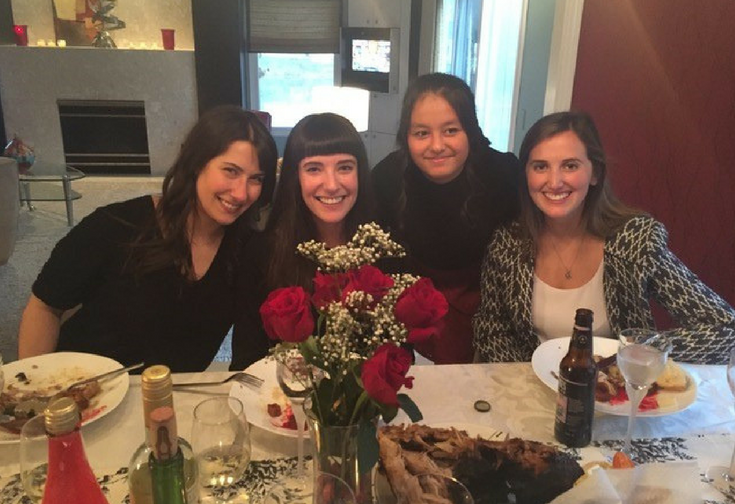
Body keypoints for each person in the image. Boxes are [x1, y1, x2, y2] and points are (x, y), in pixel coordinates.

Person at [17, 106, 278, 372]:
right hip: (83, 388)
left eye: (256, 179)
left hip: (170, 401)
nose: (241, 193)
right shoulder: (117, 225)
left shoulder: (248, 251)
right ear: (197, 162)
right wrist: (36, 390)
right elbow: (44, 305)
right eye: (231, 171)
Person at [473, 111, 735, 364]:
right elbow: (491, 331)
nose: (554, 182)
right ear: (526, 175)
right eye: (540, 166)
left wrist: (637, 353)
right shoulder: (508, 243)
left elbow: (727, 331)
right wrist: (530, 376)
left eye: (570, 165)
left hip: (616, 396)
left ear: (595, 173)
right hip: (533, 389)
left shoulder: (636, 241)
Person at [372, 73, 520, 364]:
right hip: (409, 309)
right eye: (422, 133)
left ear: (471, 130)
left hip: (488, 311)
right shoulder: (386, 177)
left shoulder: (504, 173)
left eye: (451, 130)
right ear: (407, 137)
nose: (436, 146)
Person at [230, 112, 374, 370]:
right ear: (294, 178)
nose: (331, 185)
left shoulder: (383, 253)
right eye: (314, 169)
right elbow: (245, 363)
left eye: (345, 167)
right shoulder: (262, 254)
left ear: (360, 174)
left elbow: (401, 355)